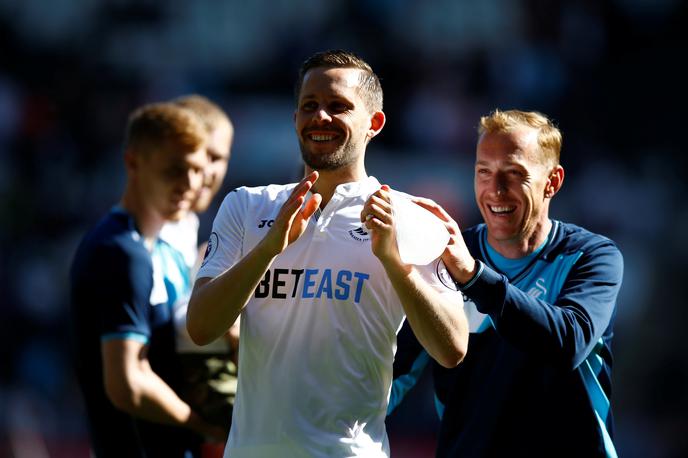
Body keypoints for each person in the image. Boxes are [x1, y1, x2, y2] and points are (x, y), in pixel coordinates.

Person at [186, 49, 469, 458]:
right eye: (309, 106)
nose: (321, 117)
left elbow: (452, 348)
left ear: (374, 123)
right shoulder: (247, 207)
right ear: (295, 119)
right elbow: (201, 327)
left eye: (338, 107)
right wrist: (269, 248)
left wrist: (394, 262)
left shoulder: (407, 216)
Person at [389, 109, 624, 457]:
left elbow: (567, 343)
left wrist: (474, 276)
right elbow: (393, 374)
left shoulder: (591, 257)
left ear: (553, 181)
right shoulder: (443, 258)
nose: (495, 190)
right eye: (484, 172)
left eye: (514, 174)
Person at [70, 102, 225, 457]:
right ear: (133, 162)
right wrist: (202, 423)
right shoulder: (121, 251)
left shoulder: (158, 250)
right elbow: (128, 384)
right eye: (174, 169)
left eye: (197, 169)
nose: (189, 183)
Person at [157, 94, 237, 454]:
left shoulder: (191, 234)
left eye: (216, 158)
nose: (204, 173)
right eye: (193, 157)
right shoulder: (135, 242)